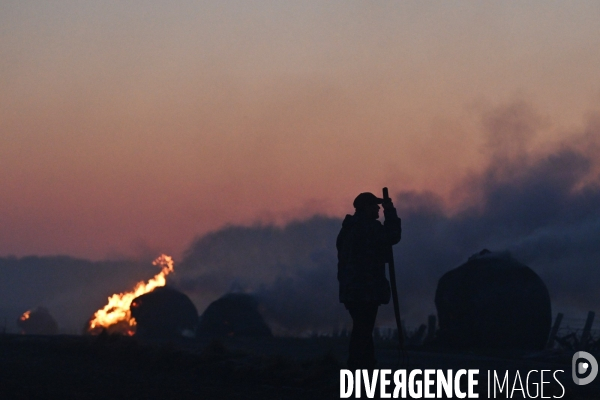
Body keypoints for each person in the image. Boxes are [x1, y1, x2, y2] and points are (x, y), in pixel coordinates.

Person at [336, 191, 401, 370]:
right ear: (365, 208)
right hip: (365, 290)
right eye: (375, 205)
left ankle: (364, 368)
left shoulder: (348, 228)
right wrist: (390, 211)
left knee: (362, 330)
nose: (378, 208)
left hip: (352, 290)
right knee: (363, 331)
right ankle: (360, 369)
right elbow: (393, 235)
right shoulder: (369, 227)